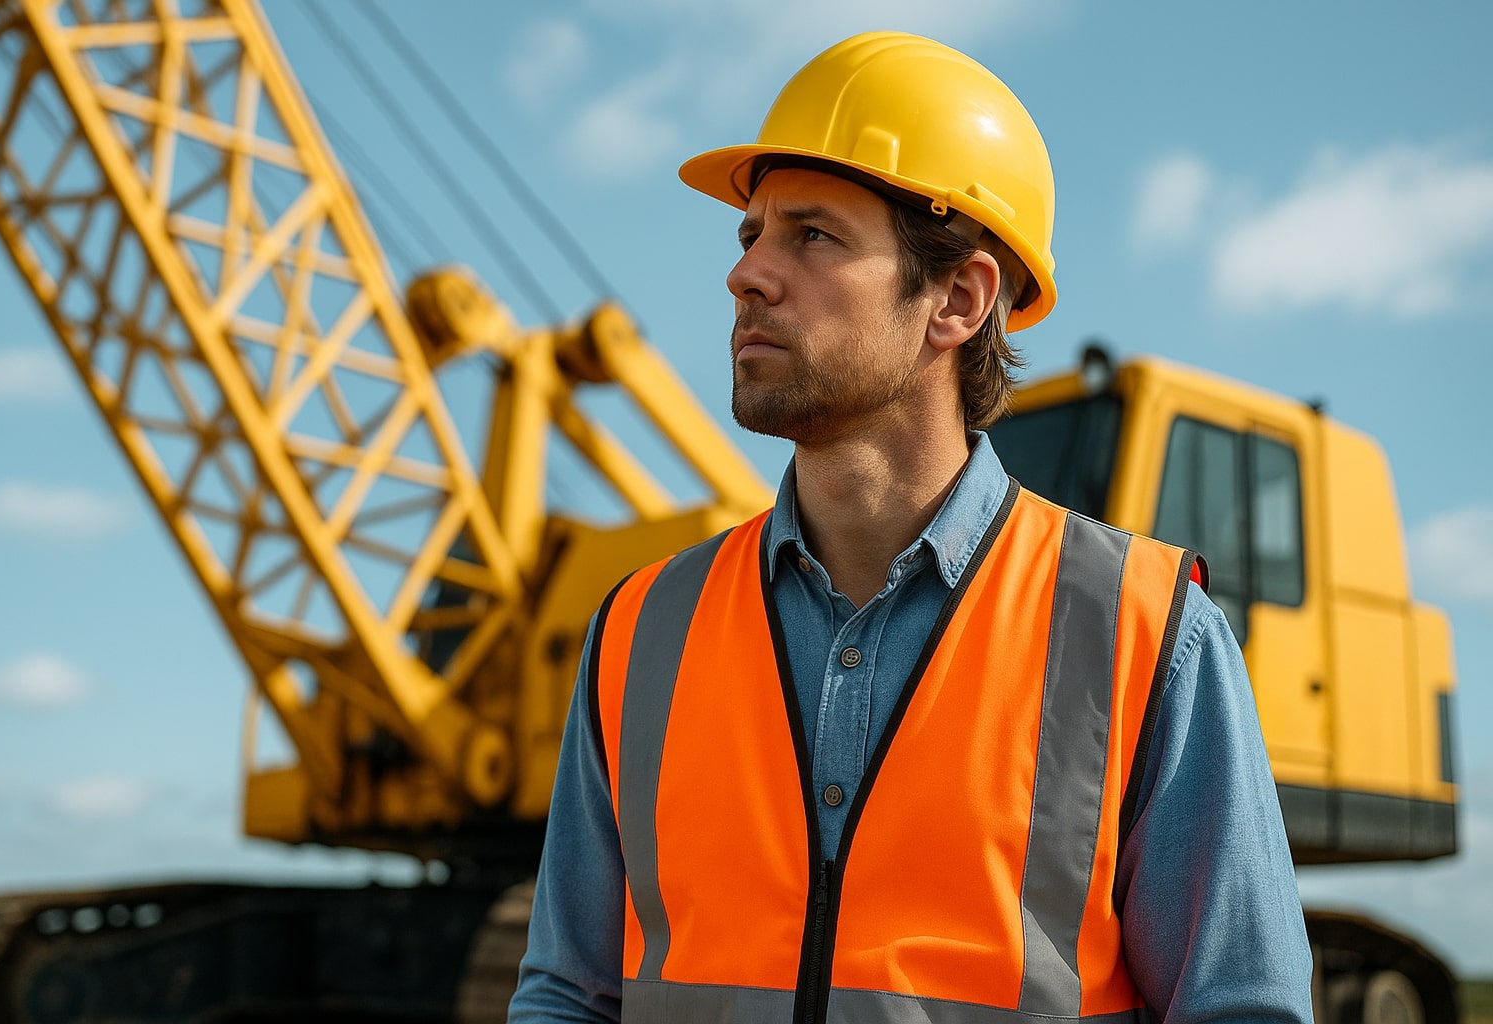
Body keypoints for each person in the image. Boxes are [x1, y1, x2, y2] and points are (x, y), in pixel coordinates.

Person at [508, 31, 1312, 1024]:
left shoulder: (1148, 634)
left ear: (958, 300)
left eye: (812, 235)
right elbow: (569, 993)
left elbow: (1242, 1007)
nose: (746, 274)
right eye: (749, 234)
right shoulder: (641, 629)